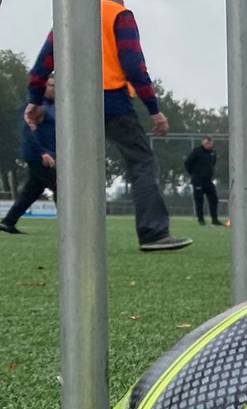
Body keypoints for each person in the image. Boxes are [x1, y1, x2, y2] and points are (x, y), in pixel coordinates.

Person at [25, 0, 191, 252]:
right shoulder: (119, 15)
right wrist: (154, 110)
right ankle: (153, 232)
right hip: (112, 100)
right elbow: (135, 67)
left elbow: (41, 66)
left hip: (74, 102)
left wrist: (36, 101)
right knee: (141, 162)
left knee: (74, 168)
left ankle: (75, 237)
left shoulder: (69, 15)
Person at [1, 76, 57, 235]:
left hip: (49, 156)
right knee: (60, 186)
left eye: (56, 86)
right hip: (39, 156)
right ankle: (71, 224)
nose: (54, 89)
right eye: (51, 85)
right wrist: (42, 153)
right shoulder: (36, 106)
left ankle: (8, 222)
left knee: (32, 191)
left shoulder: (56, 107)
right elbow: (28, 133)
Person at [184, 136, 224, 227]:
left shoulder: (213, 153)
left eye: (210, 143)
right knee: (199, 200)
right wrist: (194, 174)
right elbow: (187, 163)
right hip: (198, 180)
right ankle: (201, 220)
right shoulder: (197, 151)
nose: (208, 145)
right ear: (203, 143)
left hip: (208, 181)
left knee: (214, 198)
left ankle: (215, 219)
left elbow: (212, 164)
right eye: (206, 143)